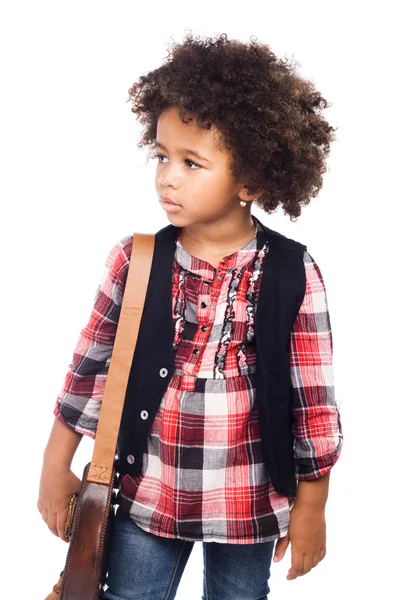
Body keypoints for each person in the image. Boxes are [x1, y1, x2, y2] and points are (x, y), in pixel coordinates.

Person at [38, 32, 343, 600]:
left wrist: (313, 505)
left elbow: (314, 401)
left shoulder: (293, 273)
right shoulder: (137, 260)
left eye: (192, 162)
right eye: (162, 155)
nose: (167, 176)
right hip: (150, 486)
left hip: (249, 494)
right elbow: (88, 369)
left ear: (250, 179)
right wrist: (56, 465)